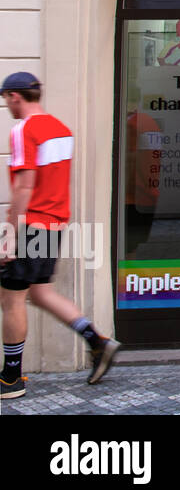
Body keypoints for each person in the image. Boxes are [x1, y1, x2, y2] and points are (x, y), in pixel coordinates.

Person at [1, 72, 120, 399]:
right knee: (40, 293)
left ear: (15, 96)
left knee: (10, 298)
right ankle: (98, 342)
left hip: (32, 225)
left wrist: (10, 234)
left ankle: (10, 379)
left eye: (5, 98)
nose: (6, 105)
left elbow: (25, 186)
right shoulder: (61, 129)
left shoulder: (23, 129)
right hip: (54, 223)